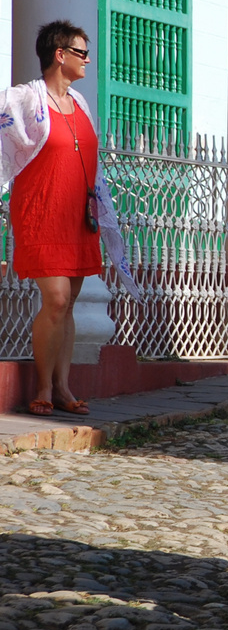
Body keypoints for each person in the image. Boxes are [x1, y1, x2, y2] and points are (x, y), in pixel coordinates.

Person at [0, 21, 133, 417]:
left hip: (78, 217)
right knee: (55, 299)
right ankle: (42, 386)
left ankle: (62, 386)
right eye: (81, 52)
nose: (88, 59)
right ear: (60, 55)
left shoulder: (81, 104)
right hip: (40, 215)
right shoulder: (24, 99)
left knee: (70, 302)